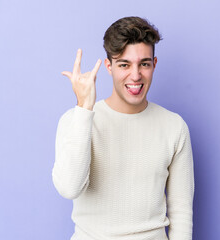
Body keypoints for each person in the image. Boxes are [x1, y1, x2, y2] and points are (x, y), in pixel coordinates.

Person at [52, 16, 195, 240]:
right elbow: (70, 188)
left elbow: (181, 213)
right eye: (124, 65)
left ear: (154, 64)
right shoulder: (75, 119)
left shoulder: (174, 127)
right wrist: (84, 109)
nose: (136, 75)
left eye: (144, 64)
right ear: (109, 66)